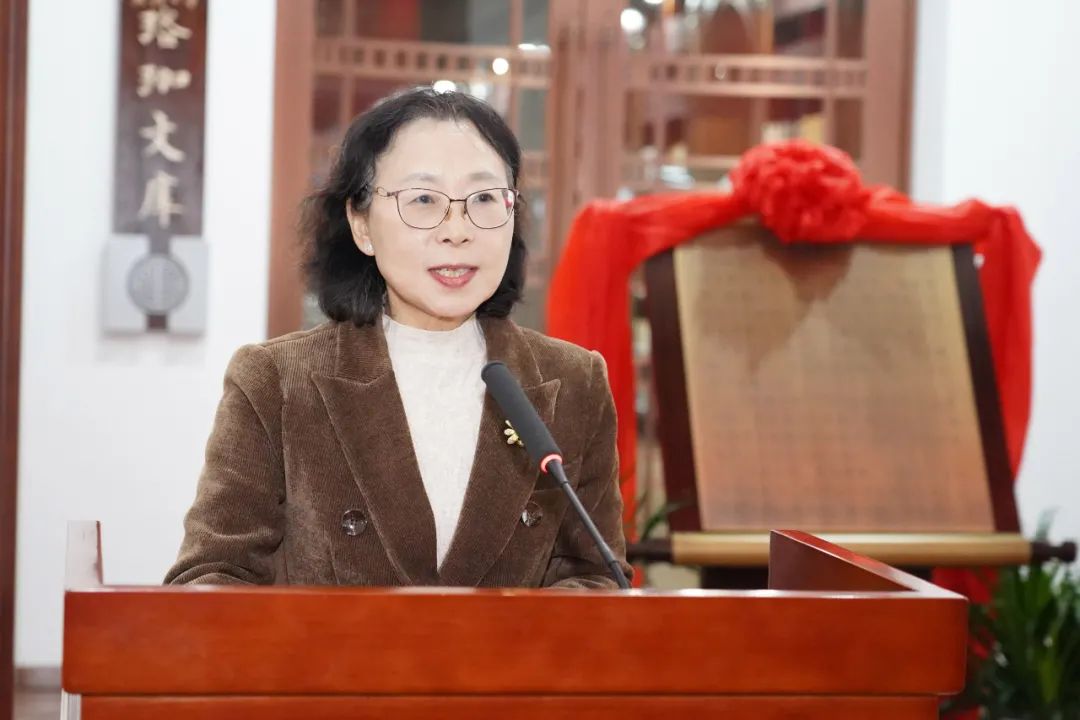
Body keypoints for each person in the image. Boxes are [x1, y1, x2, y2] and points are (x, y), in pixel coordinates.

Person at [165, 87, 631, 589]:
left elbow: (595, 578)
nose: (457, 230)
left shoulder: (573, 382)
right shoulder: (276, 383)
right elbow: (211, 578)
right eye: (424, 200)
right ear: (361, 224)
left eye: (483, 199)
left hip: (513, 648)